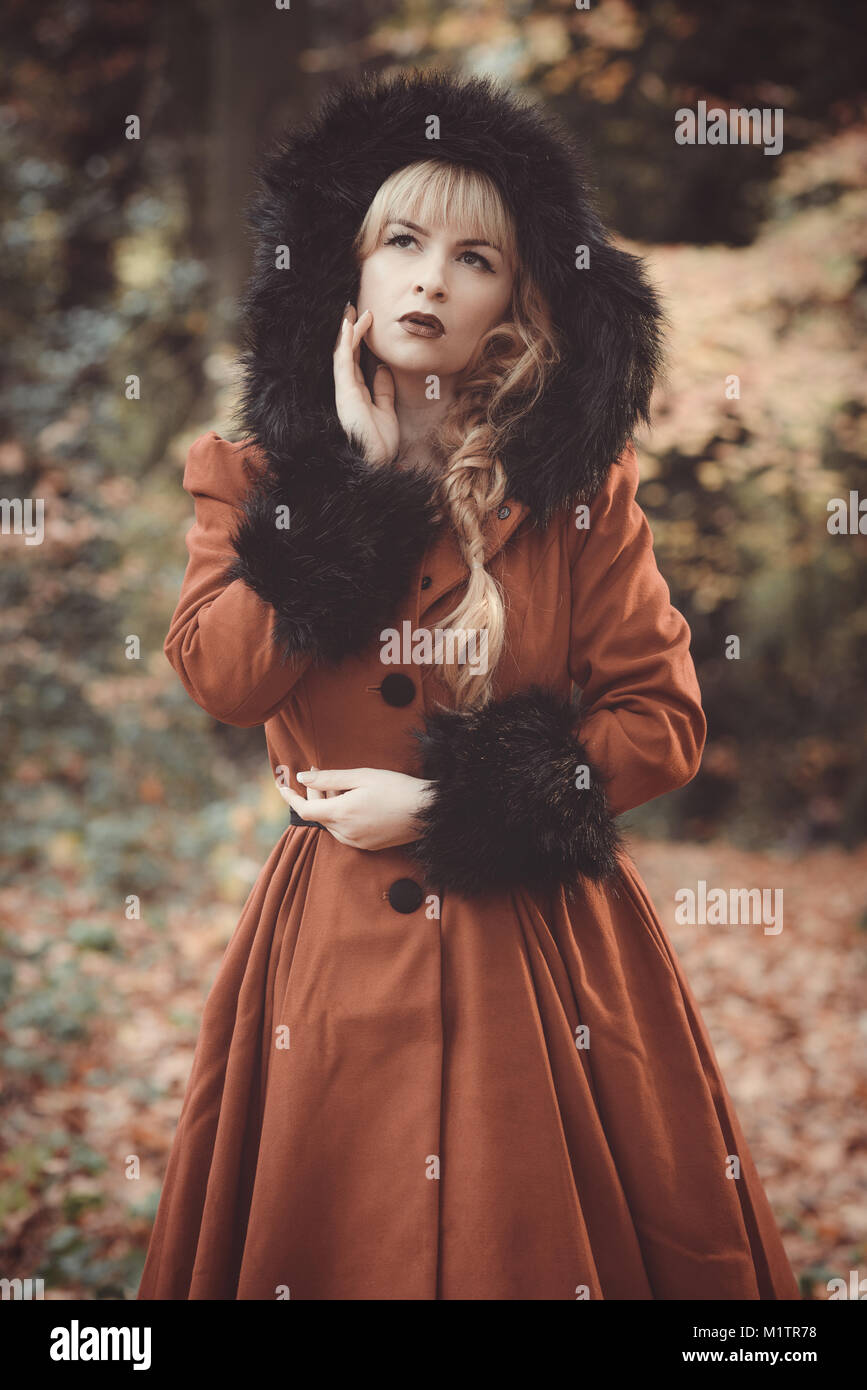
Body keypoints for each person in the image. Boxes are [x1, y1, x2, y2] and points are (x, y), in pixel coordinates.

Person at [137, 67, 800, 1300]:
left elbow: (662, 721)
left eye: (475, 258)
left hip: (542, 952)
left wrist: (454, 809)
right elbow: (224, 677)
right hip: (327, 949)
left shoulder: (581, 497)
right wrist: (360, 495)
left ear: (518, 301)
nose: (431, 279)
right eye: (402, 241)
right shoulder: (251, 473)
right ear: (352, 267)